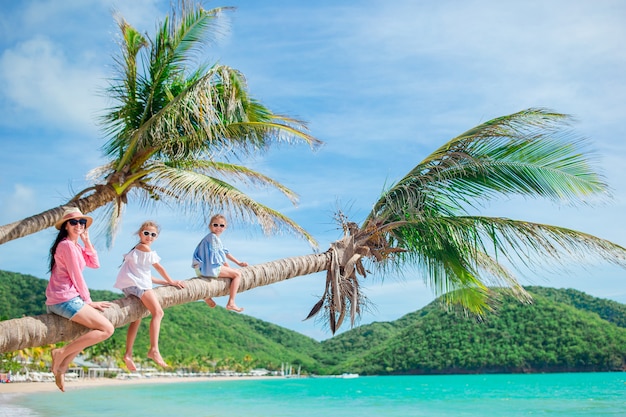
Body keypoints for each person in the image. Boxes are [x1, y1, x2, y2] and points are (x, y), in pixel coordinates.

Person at [46, 207, 114, 392]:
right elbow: (76, 275)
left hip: (67, 297)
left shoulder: (75, 246)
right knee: (107, 329)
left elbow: (95, 264)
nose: (78, 225)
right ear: (66, 226)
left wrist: (87, 241)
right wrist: (88, 301)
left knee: (92, 329)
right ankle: (60, 353)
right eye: (74, 222)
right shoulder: (66, 245)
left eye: (82, 222)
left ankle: (61, 366)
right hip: (63, 298)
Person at [114, 221, 185, 371]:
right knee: (158, 312)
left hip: (132, 285)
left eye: (153, 234)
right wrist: (171, 281)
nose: (149, 236)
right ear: (140, 234)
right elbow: (159, 267)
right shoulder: (143, 248)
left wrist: (166, 283)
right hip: (137, 286)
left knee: (137, 318)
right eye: (146, 233)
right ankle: (154, 349)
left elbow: (147, 276)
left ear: (156, 237)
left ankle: (128, 354)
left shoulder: (139, 252)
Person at [192, 214, 247, 312]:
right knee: (237, 274)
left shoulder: (211, 238)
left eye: (221, 225)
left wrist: (238, 262)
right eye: (215, 225)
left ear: (225, 227)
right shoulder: (213, 238)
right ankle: (231, 302)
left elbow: (225, 252)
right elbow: (220, 255)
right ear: (210, 226)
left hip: (200, 270)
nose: (218, 227)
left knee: (228, 273)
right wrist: (230, 268)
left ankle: (206, 296)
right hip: (209, 269)